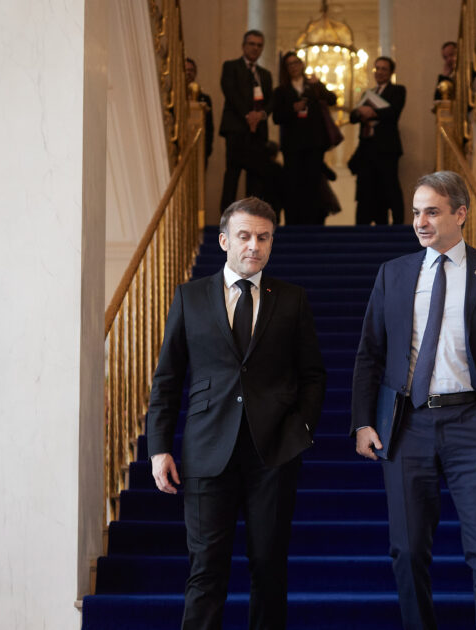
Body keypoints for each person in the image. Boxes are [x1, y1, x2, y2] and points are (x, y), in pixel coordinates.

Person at [350, 171, 476, 630]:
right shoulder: (393, 273)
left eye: (432, 211)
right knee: (407, 551)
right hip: (407, 426)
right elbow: (370, 354)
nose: (420, 222)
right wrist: (364, 422)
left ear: (460, 214)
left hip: (474, 423)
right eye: (416, 212)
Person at [147, 197, 326, 630]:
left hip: (274, 454)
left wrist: (300, 429)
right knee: (206, 568)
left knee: (268, 567)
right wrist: (158, 448)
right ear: (225, 240)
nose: (254, 246)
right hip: (207, 451)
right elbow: (168, 378)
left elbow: (313, 375)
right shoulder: (189, 297)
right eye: (244, 236)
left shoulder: (292, 299)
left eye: (263, 237)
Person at [272, 52, 337, 225]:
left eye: (296, 63)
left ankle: (313, 224)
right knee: (293, 185)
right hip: (292, 146)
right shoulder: (281, 91)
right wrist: (292, 108)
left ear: (302, 65)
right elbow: (276, 117)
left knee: (313, 184)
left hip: (314, 144)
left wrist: (319, 84)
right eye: (290, 64)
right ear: (286, 69)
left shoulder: (313, 86)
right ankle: (294, 225)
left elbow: (332, 99)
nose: (294, 67)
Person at [219, 30, 274, 211]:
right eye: (251, 44)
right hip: (236, 129)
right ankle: (226, 219)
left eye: (259, 45)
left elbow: (270, 101)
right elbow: (230, 92)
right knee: (232, 175)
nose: (255, 48)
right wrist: (248, 115)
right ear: (243, 46)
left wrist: (261, 115)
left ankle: (253, 218)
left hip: (258, 132)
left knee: (256, 178)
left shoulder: (265, 74)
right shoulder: (231, 66)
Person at [349, 56, 406, 225]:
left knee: (390, 187)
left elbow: (394, 112)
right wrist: (360, 112)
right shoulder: (369, 94)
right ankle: (366, 227)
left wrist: (372, 113)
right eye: (377, 68)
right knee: (367, 190)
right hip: (367, 149)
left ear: (391, 72)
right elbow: (353, 117)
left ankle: (398, 227)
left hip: (387, 149)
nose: (379, 72)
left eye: (384, 69)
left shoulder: (398, 90)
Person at [185, 57, 215, 168]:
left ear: (195, 73)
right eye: (186, 70)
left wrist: (207, 149)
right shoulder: (175, 98)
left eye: (191, 70)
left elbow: (209, 126)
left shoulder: (204, 99)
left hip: (200, 148)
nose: (188, 73)